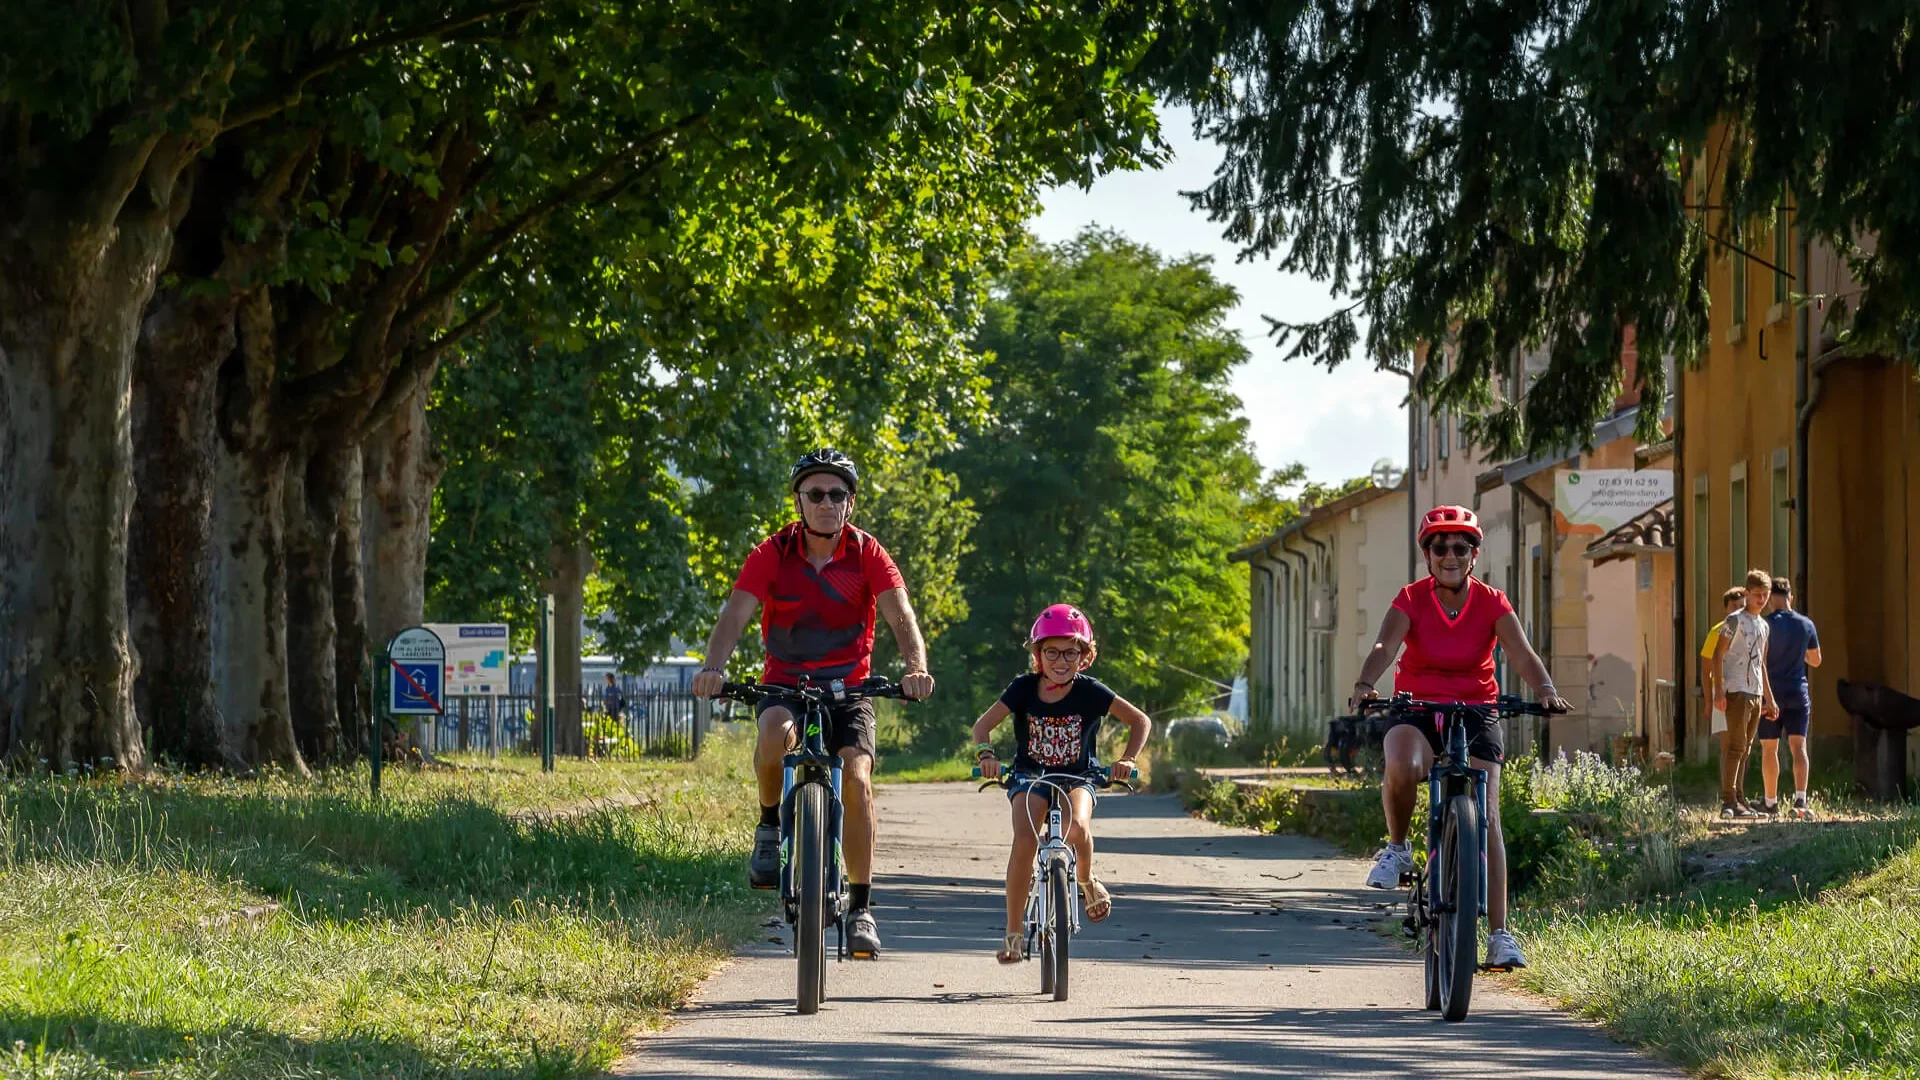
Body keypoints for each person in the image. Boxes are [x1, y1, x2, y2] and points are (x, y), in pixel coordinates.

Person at [690, 448, 935, 958]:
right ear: (799, 501)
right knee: (773, 734)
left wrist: (915, 667)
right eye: (816, 494)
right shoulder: (772, 553)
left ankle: (862, 908)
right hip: (786, 683)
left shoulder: (868, 552)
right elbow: (734, 616)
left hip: (850, 690)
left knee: (858, 778)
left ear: (850, 501)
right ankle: (769, 823)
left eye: (837, 494)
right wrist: (713, 668)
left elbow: (901, 616)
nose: (827, 503)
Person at [1349, 505, 1569, 971]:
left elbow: (1522, 654)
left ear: (1474, 555)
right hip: (1418, 709)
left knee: (1487, 816)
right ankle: (1397, 848)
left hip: (1477, 711)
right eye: (1440, 546)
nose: (1450, 555)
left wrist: (1546, 690)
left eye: (1461, 547)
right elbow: (1385, 647)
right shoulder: (1411, 598)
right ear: (1427, 554)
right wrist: (1366, 684)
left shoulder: (1492, 601)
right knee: (1404, 765)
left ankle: (1500, 934)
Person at [972, 604, 1150, 964]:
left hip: (1079, 777)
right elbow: (982, 727)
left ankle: (1085, 880)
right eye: (1051, 652)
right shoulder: (1022, 688)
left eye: (1071, 652)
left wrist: (1127, 760)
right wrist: (986, 756)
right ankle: (1014, 933)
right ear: (1038, 654)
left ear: (1085, 656)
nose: (1061, 660)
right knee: (1024, 838)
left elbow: (1140, 722)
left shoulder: (1091, 691)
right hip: (1029, 776)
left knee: (1078, 826)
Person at [1711, 569, 1779, 819]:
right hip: (1736, 688)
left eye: (1765, 595)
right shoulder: (1734, 620)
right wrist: (1719, 690)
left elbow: (1761, 662)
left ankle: (1739, 797)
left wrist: (1769, 698)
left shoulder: (1763, 625)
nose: (1761, 599)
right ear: (1747, 593)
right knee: (1736, 746)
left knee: (1747, 748)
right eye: (1757, 594)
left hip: (1755, 690)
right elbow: (1718, 654)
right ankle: (1728, 801)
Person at [1760, 576, 1822, 819]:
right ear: (1790, 597)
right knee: (1799, 747)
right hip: (1798, 691)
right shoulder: (1806, 624)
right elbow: (1816, 660)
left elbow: (1760, 661)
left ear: (1769, 599)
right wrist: (1799, 655)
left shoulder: (1765, 625)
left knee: (1769, 749)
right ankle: (1800, 799)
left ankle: (1770, 801)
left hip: (1771, 694)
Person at [1700, 586, 1746, 794]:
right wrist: (1709, 701)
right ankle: (1728, 791)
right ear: (1726, 609)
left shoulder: (1750, 628)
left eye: (1742, 606)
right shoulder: (1718, 630)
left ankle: (1740, 791)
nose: (1738, 609)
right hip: (1722, 693)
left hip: (1744, 692)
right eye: (1734, 606)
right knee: (1727, 746)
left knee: (1742, 746)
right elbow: (1706, 668)